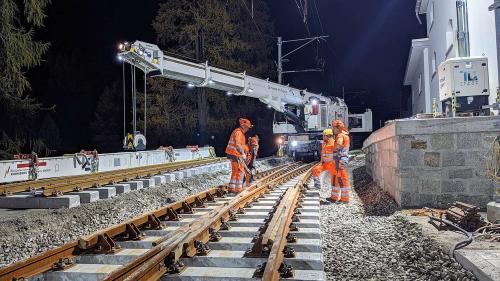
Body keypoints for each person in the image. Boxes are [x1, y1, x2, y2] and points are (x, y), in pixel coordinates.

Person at [225, 118, 253, 193]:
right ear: (243, 126)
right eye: (247, 127)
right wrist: (243, 154)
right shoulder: (238, 133)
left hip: (234, 153)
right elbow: (237, 145)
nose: (248, 129)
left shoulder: (240, 133)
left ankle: (232, 188)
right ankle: (237, 189)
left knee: (236, 170)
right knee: (239, 170)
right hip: (234, 153)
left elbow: (241, 145)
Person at [330, 120, 351, 203]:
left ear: (338, 128)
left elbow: (339, 144)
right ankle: (334, 197)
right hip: (340, 159)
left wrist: (333, 149)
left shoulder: (340, 136)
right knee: (337, 178)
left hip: (340, 159)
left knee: (341, 179)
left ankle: (344, 199)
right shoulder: (344, 135)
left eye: (333, 127)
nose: (333, 129)